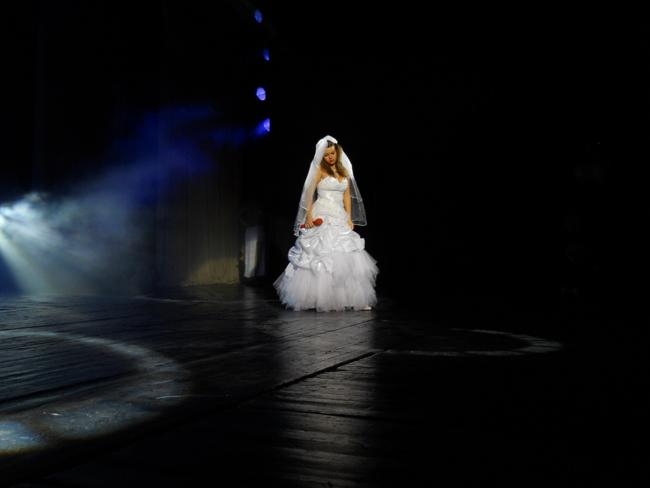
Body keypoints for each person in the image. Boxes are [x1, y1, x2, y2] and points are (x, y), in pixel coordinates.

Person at [274, 135, 378, 311]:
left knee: (345, 253)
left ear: (338, 152)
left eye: (333, 153)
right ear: (321, 156)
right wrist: (308, 216)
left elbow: (346, 195)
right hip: (322, 212)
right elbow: (309, 194)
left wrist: (349, 217)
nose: (330, 157)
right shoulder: (319, 171)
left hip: (339, 215)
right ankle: (316, 298)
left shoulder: (344, 171)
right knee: (320, 253)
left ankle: (350, 298)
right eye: (326, 154)